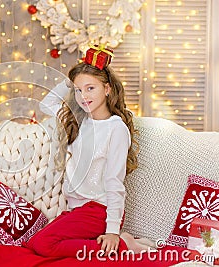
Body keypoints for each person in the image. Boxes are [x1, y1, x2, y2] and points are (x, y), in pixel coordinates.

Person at [24, 51, 154, 259]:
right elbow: (45, 105)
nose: (83, 96)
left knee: (42, 244)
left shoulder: (116, 129)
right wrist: (73, 80)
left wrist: (111, 230)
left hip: (98, 211)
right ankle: (102, 245)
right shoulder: (79, 120)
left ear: (107, 89)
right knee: (32, 243)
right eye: (78, 90)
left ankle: (122, 246)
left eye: (90, 88)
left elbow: (114, 182)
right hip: (76, 210)